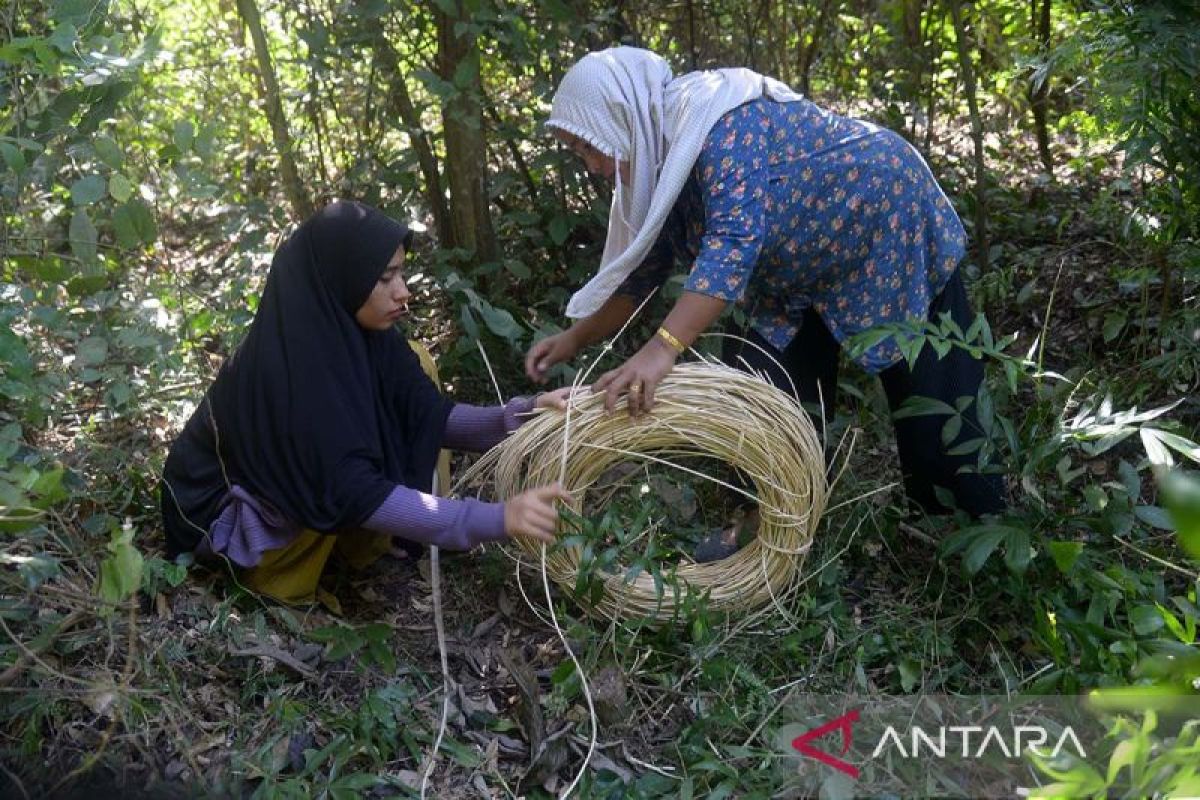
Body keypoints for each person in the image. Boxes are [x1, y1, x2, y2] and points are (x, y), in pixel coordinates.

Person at [525, 47, 1004, 517]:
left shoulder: (722, 124)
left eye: (592, 146)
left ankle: (966, 529)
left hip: (882, 222)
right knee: (765, 394)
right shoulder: (657, 164)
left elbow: (733, 246)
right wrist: (573, 339)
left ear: (622, 118)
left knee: (931, 388)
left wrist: (663, 347)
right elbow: (640, 279)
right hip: (796, 270)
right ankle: (772, 528)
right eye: (578, 151)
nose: (593, 166)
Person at [162, 200, 572, 605]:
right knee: (335, 477)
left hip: (324, 483)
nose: (403, 292)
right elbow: (349, 488)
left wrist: (524, 416)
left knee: (418, 363)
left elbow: (429, 416)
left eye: (402, 274)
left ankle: (370, 541)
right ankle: (279, 581)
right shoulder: (296, 373)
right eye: (385, 278)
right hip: (224, 519)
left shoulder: (360, 333)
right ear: (344, 277)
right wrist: (496, 519)